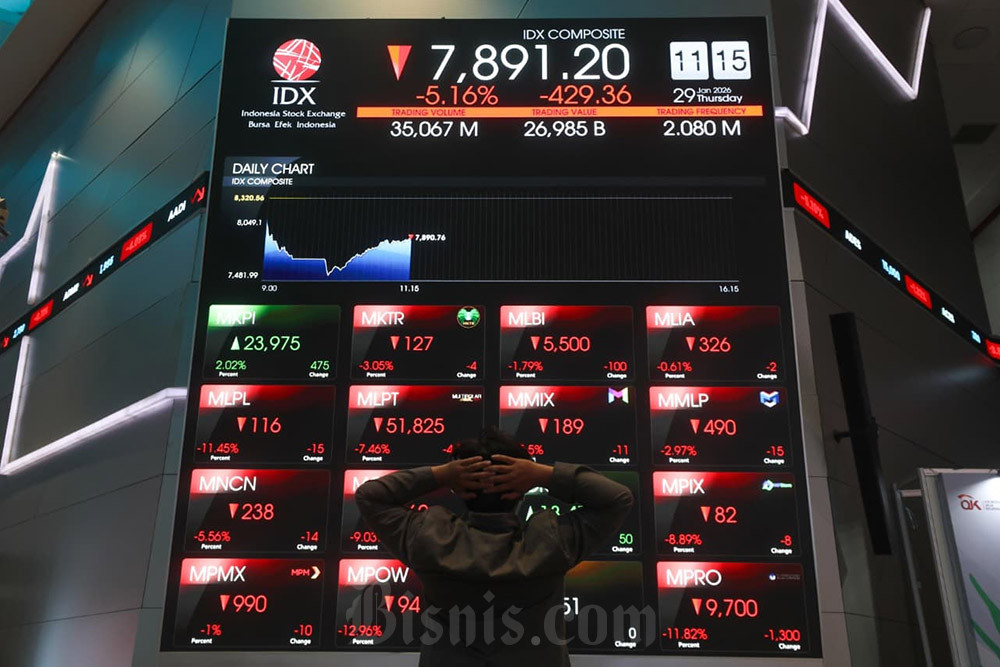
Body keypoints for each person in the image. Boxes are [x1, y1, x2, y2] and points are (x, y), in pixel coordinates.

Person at [355, 427, 634, 666]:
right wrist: (543, 475)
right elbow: (617, 498)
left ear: (460, 489)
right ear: (521, 489)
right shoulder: (550, 542)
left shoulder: (429, 538)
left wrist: (441, 475)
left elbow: (370, 496)